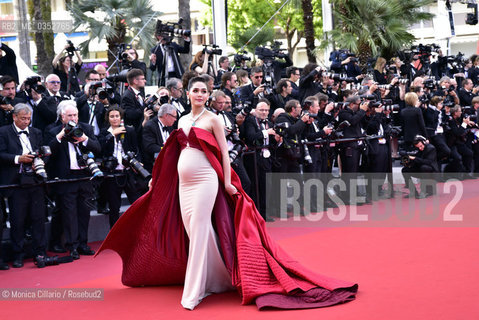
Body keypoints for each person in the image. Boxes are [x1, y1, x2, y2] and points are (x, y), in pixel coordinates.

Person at [97, 77, 358, 310]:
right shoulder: (183, 119)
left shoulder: (212, 119)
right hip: (184, 184)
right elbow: (171, 153)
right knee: (195, 231)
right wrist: (157, 178)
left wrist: (227, 182)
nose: (199, 94)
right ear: (188, 94)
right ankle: (219, 278)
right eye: (195, 90)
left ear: (207, 95)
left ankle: (195, 290)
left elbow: (223, 152)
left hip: (206, 179)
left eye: (203, 91)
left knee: (199, 228)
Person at [0, 104, 47, 268]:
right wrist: (18, 159)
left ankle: (40, 252)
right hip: (16, 182)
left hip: (35, 181)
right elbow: (1, 154)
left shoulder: (36, 132)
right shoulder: (4, 132)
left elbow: (43, 152)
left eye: (28, 119)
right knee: (17, 220)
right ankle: (18, 254)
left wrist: (38, 162)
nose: (26, 122)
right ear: (14, 117)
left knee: (38, 219)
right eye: (23, 119)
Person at [99, 106, 144, 228]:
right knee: (114, 207)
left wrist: (137, 162)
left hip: (128, 173)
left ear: (121, 117)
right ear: (108, 118)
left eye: (117, 116)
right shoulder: (104, 133)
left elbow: (136, 149)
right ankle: (114, 236)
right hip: (112, 174)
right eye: (112, 116)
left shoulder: (128, 131)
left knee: (136, 202)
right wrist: (112, 135)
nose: (115, 119)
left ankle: (140, 230)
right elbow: (100, 149)